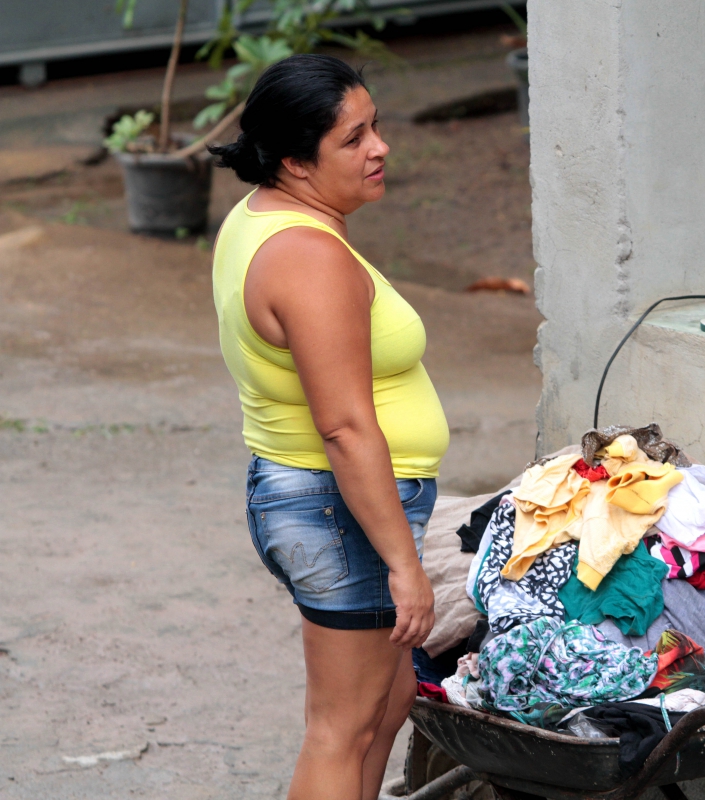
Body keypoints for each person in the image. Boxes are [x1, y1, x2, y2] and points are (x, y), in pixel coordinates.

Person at [209, 54, 449, 800]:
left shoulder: (267, 215)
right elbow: (344, 427)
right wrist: (404, 563)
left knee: (386, 704)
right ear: (295, 161)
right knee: (341, 728)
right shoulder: (308, 257)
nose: (379, 147)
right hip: (335, 507)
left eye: (374, 126)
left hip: (325, 502)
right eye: (353, 139)